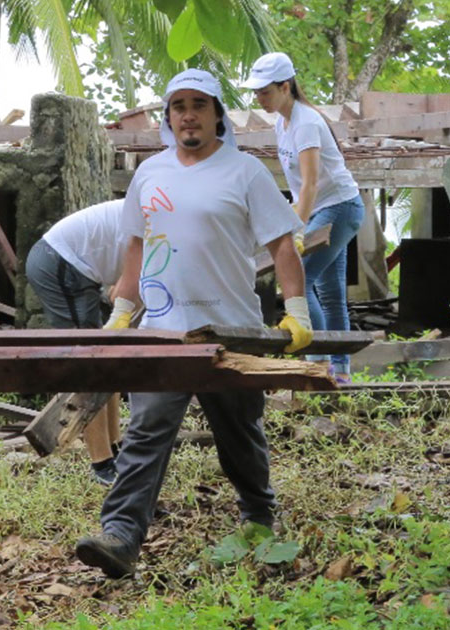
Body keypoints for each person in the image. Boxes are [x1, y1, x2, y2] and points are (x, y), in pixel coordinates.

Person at [74, 69, 314, 579]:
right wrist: (122, 311)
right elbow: (136, 247)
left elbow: (281, 246)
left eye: (199, 104)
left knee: (239, 433)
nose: (188, 113)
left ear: (217, 114)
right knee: (146, 433)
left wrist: (297, 312)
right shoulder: (150, 173)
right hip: (164, 330)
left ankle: (257, 517)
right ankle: (120, 535)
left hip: (231, 331)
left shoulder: (244, 172)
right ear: (168, 117)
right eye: (178, 105)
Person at [244, 52, 365, 385]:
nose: (259, 98)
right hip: (322, 208)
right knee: (330, 292)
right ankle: (339, 372)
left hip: (340, 207)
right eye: (256, 92)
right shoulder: (283, 123)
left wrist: (296, 229)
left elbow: (310, 183)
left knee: (300, 280)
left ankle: (319, 365)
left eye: (265, 91)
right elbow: (298, 188)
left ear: (286, 87)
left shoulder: (307, 122)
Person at [25, 199, 132, 486]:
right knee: (89, 364)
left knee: (106, 359)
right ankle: (102, 463)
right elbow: (121, 293)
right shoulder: (159, 214)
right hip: (60, 263)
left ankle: (116, 448)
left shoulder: (167, 215)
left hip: (77, 268)